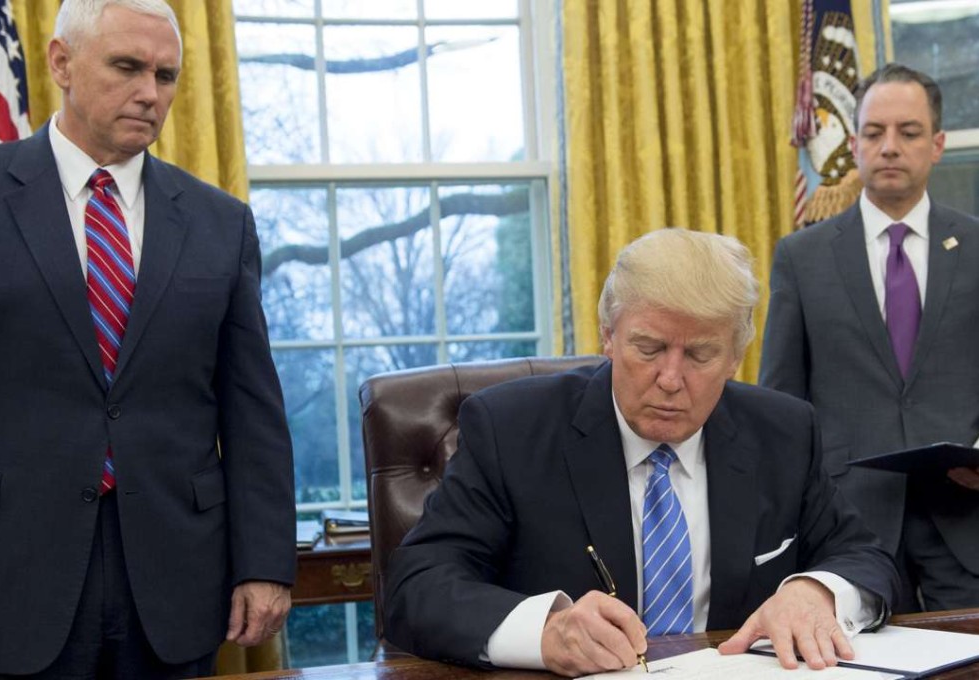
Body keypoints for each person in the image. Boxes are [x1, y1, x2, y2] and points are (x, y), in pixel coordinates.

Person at [384, 228, 898, 677]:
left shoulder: (783, 431)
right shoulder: (510, 429)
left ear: (736, 357)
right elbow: (417, 587)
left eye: (700, 354)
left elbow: (866, 557)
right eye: (648, 349)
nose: (670, 379)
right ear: (608, 336)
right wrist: (546, 631)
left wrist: (816, 592)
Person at [0, 0, 295, 677]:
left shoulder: (221, 222)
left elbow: (252, 409)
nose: (150, 92)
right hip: (6, 578)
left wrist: (264, 563)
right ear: (61, 63)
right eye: (127, 67)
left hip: (176, 581)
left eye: (165, 76)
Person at [760, 63, 979, 612]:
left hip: (965, 510)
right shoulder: (802, 257)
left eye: (909, 132)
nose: (890, 147)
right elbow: (781, 402)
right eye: (875, 132)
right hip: (849, 521)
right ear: (854, 144)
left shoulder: (977, 247)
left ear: (937, 144)